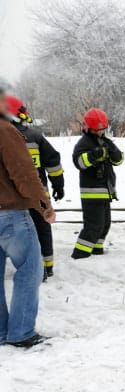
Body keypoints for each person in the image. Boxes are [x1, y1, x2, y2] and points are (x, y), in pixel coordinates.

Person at [0, 88, 56, 348]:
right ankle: (21, 332)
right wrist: (43, 204)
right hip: (10, 214)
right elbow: (24, 174)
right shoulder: (6, 131)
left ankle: (2, 331)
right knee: (30, 270)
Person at [5, 94, 64, 280]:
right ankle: (47, 267)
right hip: (38, 196)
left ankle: (25, 267)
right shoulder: (35, 136)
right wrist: (58, 185)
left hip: (10, 201)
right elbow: (53, 162)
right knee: (42, 230)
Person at [71, 108, 123, 259]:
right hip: (92, 191)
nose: (100, 132)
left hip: (105, 190)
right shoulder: (84, 143)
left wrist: (114, 152)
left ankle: (96, 250)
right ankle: (80, 254)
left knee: (105, 224)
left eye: (103, 129)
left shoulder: (105, 142)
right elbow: (79, 162)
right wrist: (94, 156)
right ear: (89, 128)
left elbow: (118, 161)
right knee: (94, 226)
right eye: (97, 130)